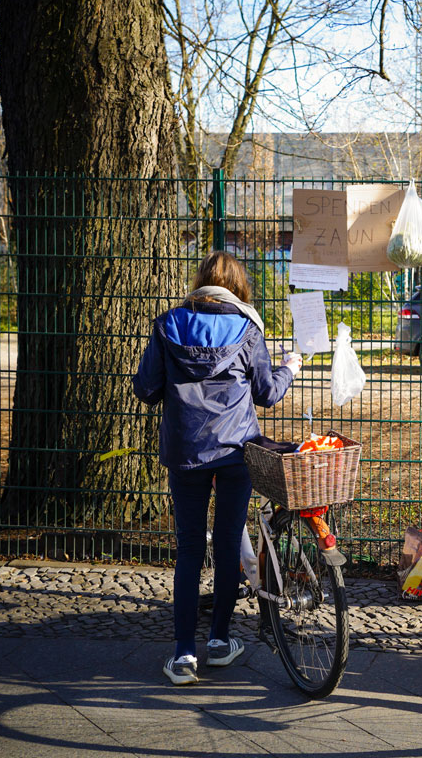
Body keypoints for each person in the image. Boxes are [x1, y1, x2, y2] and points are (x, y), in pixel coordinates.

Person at [132, 251, 301, 685]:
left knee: (189, 550)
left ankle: (183, 655)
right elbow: (265, 393)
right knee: (227, 544)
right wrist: (289, 369)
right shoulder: (248, 328)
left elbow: (146, 389)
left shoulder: (168, 323)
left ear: (200, 281)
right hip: (234, 452)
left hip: (185, 452)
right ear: (238, 287)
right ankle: (221, 641)